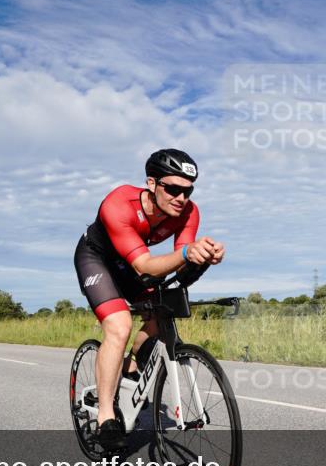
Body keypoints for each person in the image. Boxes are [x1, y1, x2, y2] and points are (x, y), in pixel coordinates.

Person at [74, 149, 225, 449]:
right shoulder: (119, 204)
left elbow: (179, 262)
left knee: (160, 313)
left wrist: (201, 257)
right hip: (98, 259)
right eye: (173, 189)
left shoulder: (188, 212)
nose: (182, 198)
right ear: (152, 184)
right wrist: (185, 252)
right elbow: (145, 266)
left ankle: (130, 365)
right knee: (118, 326)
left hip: (131, 263)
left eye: (188, 191)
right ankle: (106, 415)